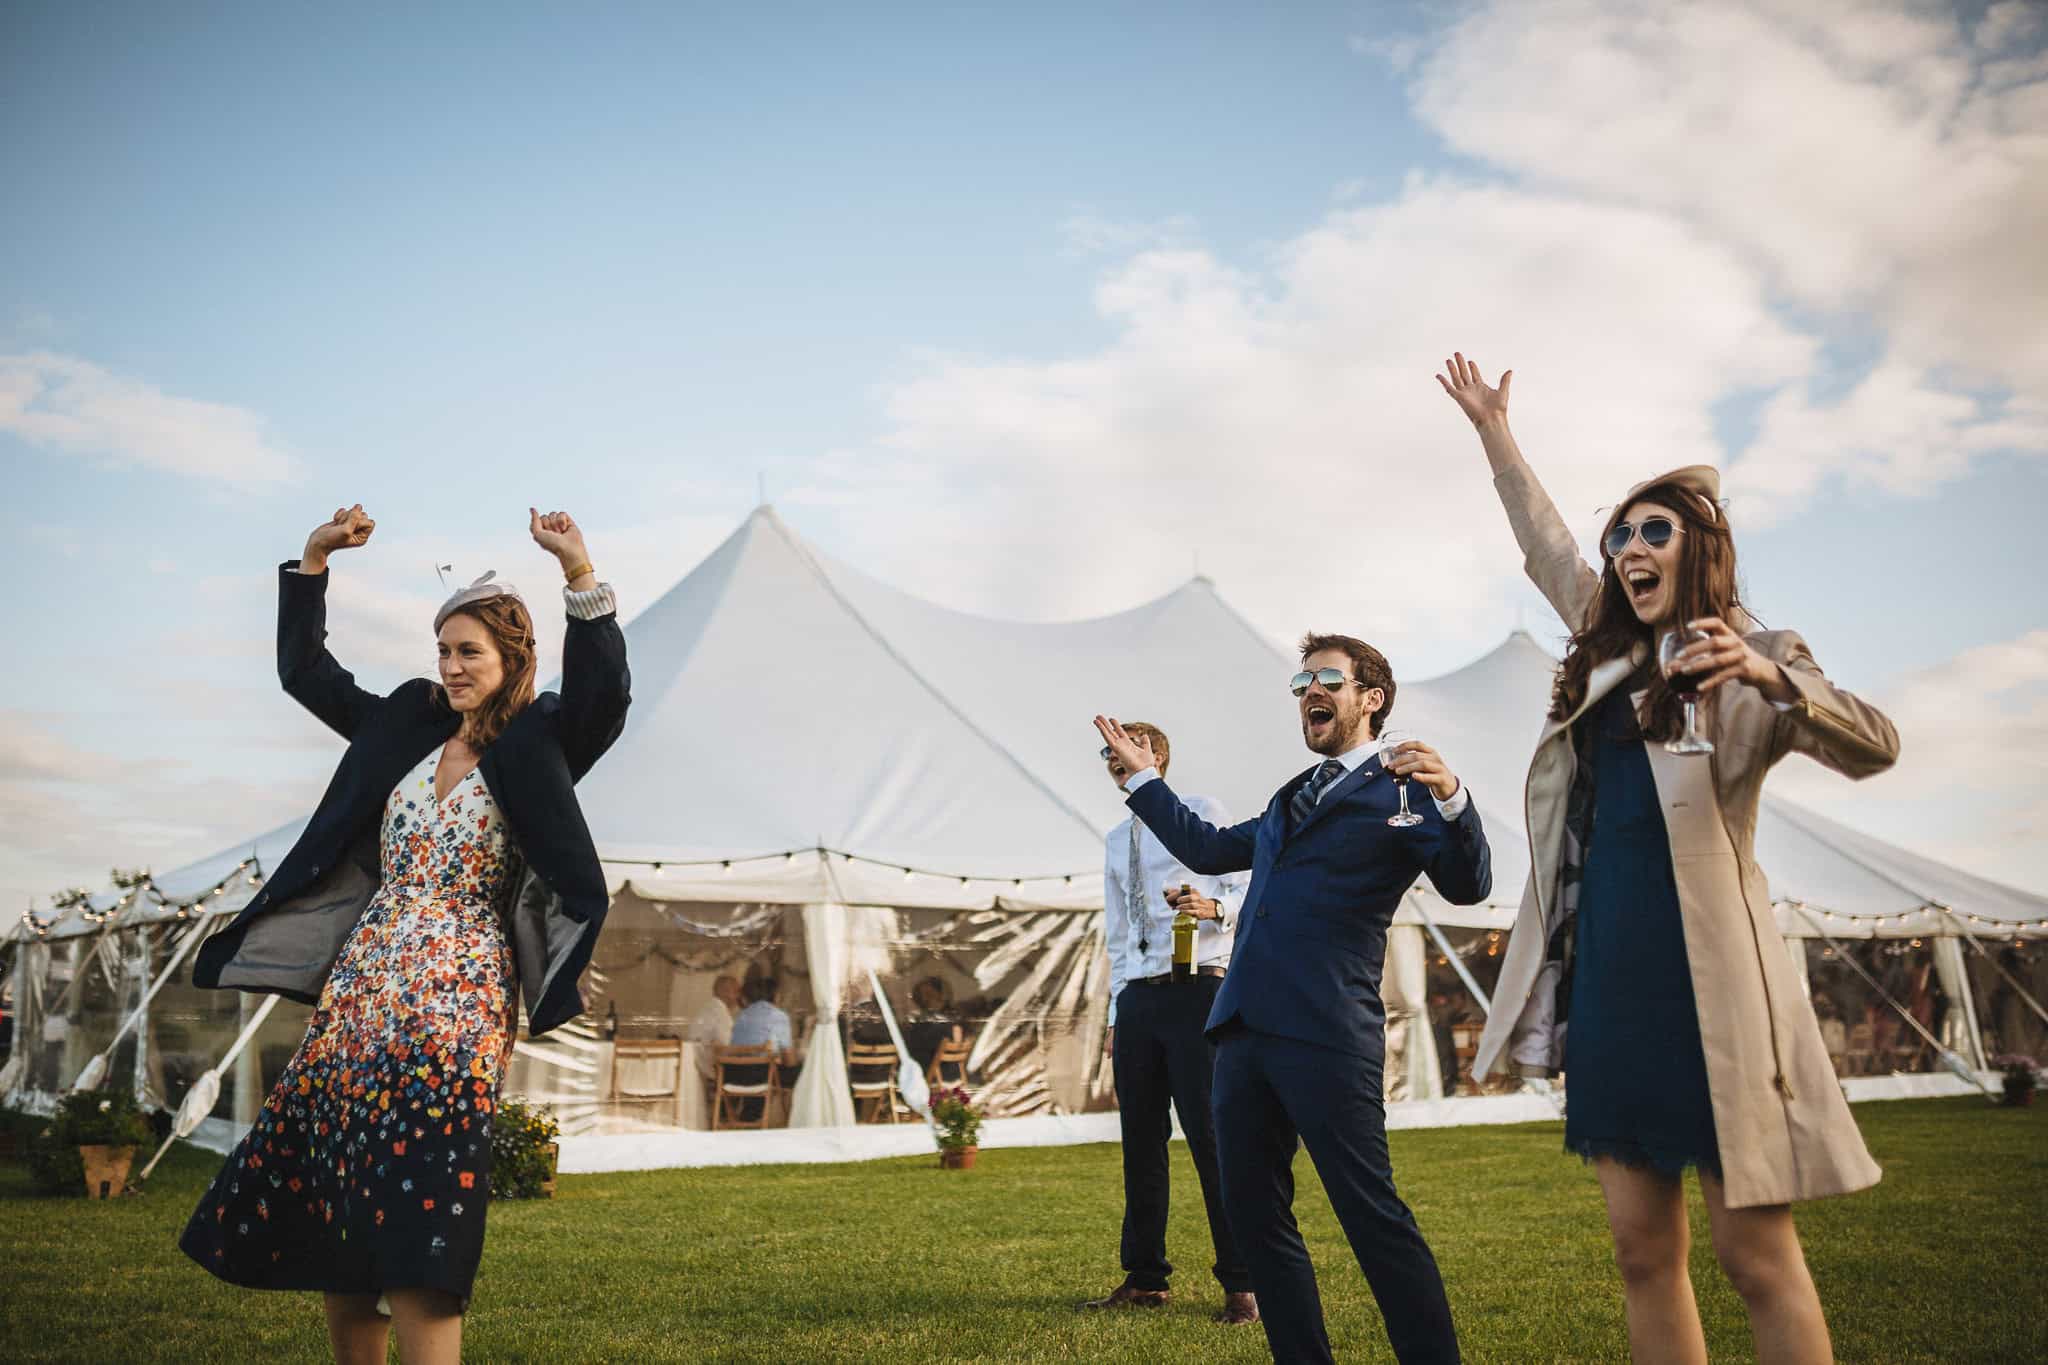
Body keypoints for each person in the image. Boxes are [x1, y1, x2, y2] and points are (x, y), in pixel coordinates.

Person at [1440, 352, 1898, 1365]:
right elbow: (1546, 545)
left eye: (1654, 531)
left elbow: (1875, 744)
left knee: (1755, 1257)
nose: (1628, 550)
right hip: (1608, 989)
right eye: (1620, 536)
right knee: (1642, 1254)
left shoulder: (1761, 655)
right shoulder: (1605, 654)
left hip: (1716, 994)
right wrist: (1494, 433)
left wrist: (1768, 677)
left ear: (1701, 551)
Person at [179, 503, 629, 1365]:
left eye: (469, 652)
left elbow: (605, 698)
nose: (451, 666)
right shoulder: (406, 722)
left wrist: (578, 571)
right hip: (361, 990)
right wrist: (314, 559)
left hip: (458, 1001)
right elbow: (308, 674)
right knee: (343, 1209)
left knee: (426, 1217)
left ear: (511, 659)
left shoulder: (541, 738)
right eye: (443, 650)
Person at [1095, 633, 1491, 1365]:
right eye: (1302, 680)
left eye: (1328, 678)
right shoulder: (1291, 795)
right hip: (1241, 1029)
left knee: (1370, 1213)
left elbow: (1469, 885)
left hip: (1327, 1028)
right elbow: (1208, 848)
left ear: (1371, 698)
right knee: (1255, 1218)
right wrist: (1145, 779)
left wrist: (1454, 798)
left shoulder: (1405, 789)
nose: (1310, 690)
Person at [1077, 721, 1256, 1328]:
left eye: (1125, 748)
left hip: (1199, 989)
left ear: (1156, 756)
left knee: (1213, 1138)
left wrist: (1215, 907)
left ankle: (1243, 1283)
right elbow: (1117, 932)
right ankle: (1145, 1277)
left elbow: (1250, 887)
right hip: (1139, 1000)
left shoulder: (1200, 811)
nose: (1113, 758)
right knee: (1140, 1140)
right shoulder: (1114, 838)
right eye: (1106, 752)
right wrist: (1115, 1012)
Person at [688, 975, 742, 1079]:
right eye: (736, 992)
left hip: (698, 1064)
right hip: (709, 1068)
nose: (738, 997)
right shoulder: (720, 1014)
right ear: (724, 992)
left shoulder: (708, 1008)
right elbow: (727, 1046)